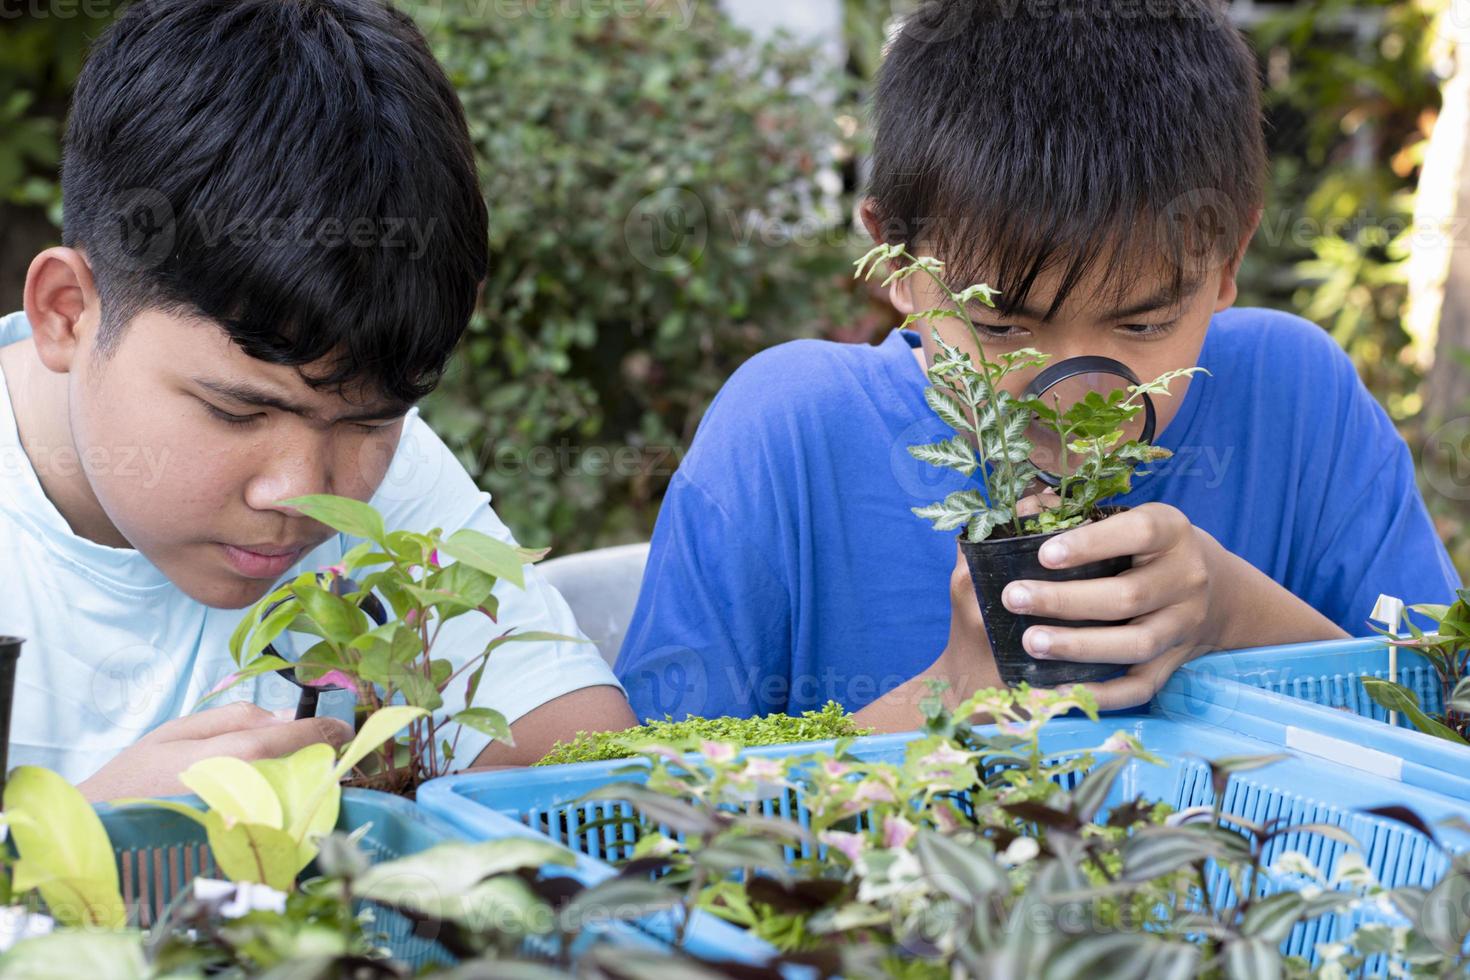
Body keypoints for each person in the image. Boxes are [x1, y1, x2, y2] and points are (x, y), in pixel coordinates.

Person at [616, 0, 1462, 731]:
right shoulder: (788, 435)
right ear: (898, 264)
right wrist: (955, 694)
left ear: (1231, 257)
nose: (1074, 396)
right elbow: (645, 815)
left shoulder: (1296, 397)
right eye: (998, 323)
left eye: (1144, 321)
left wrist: (1235, 616)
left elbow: (1449, 715)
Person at [0, 0, 633, 798]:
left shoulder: (373, 465)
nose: (304, 491)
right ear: (67, 312)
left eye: (371, 421)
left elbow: (590, 771)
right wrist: (83, 839)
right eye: (238, 412)